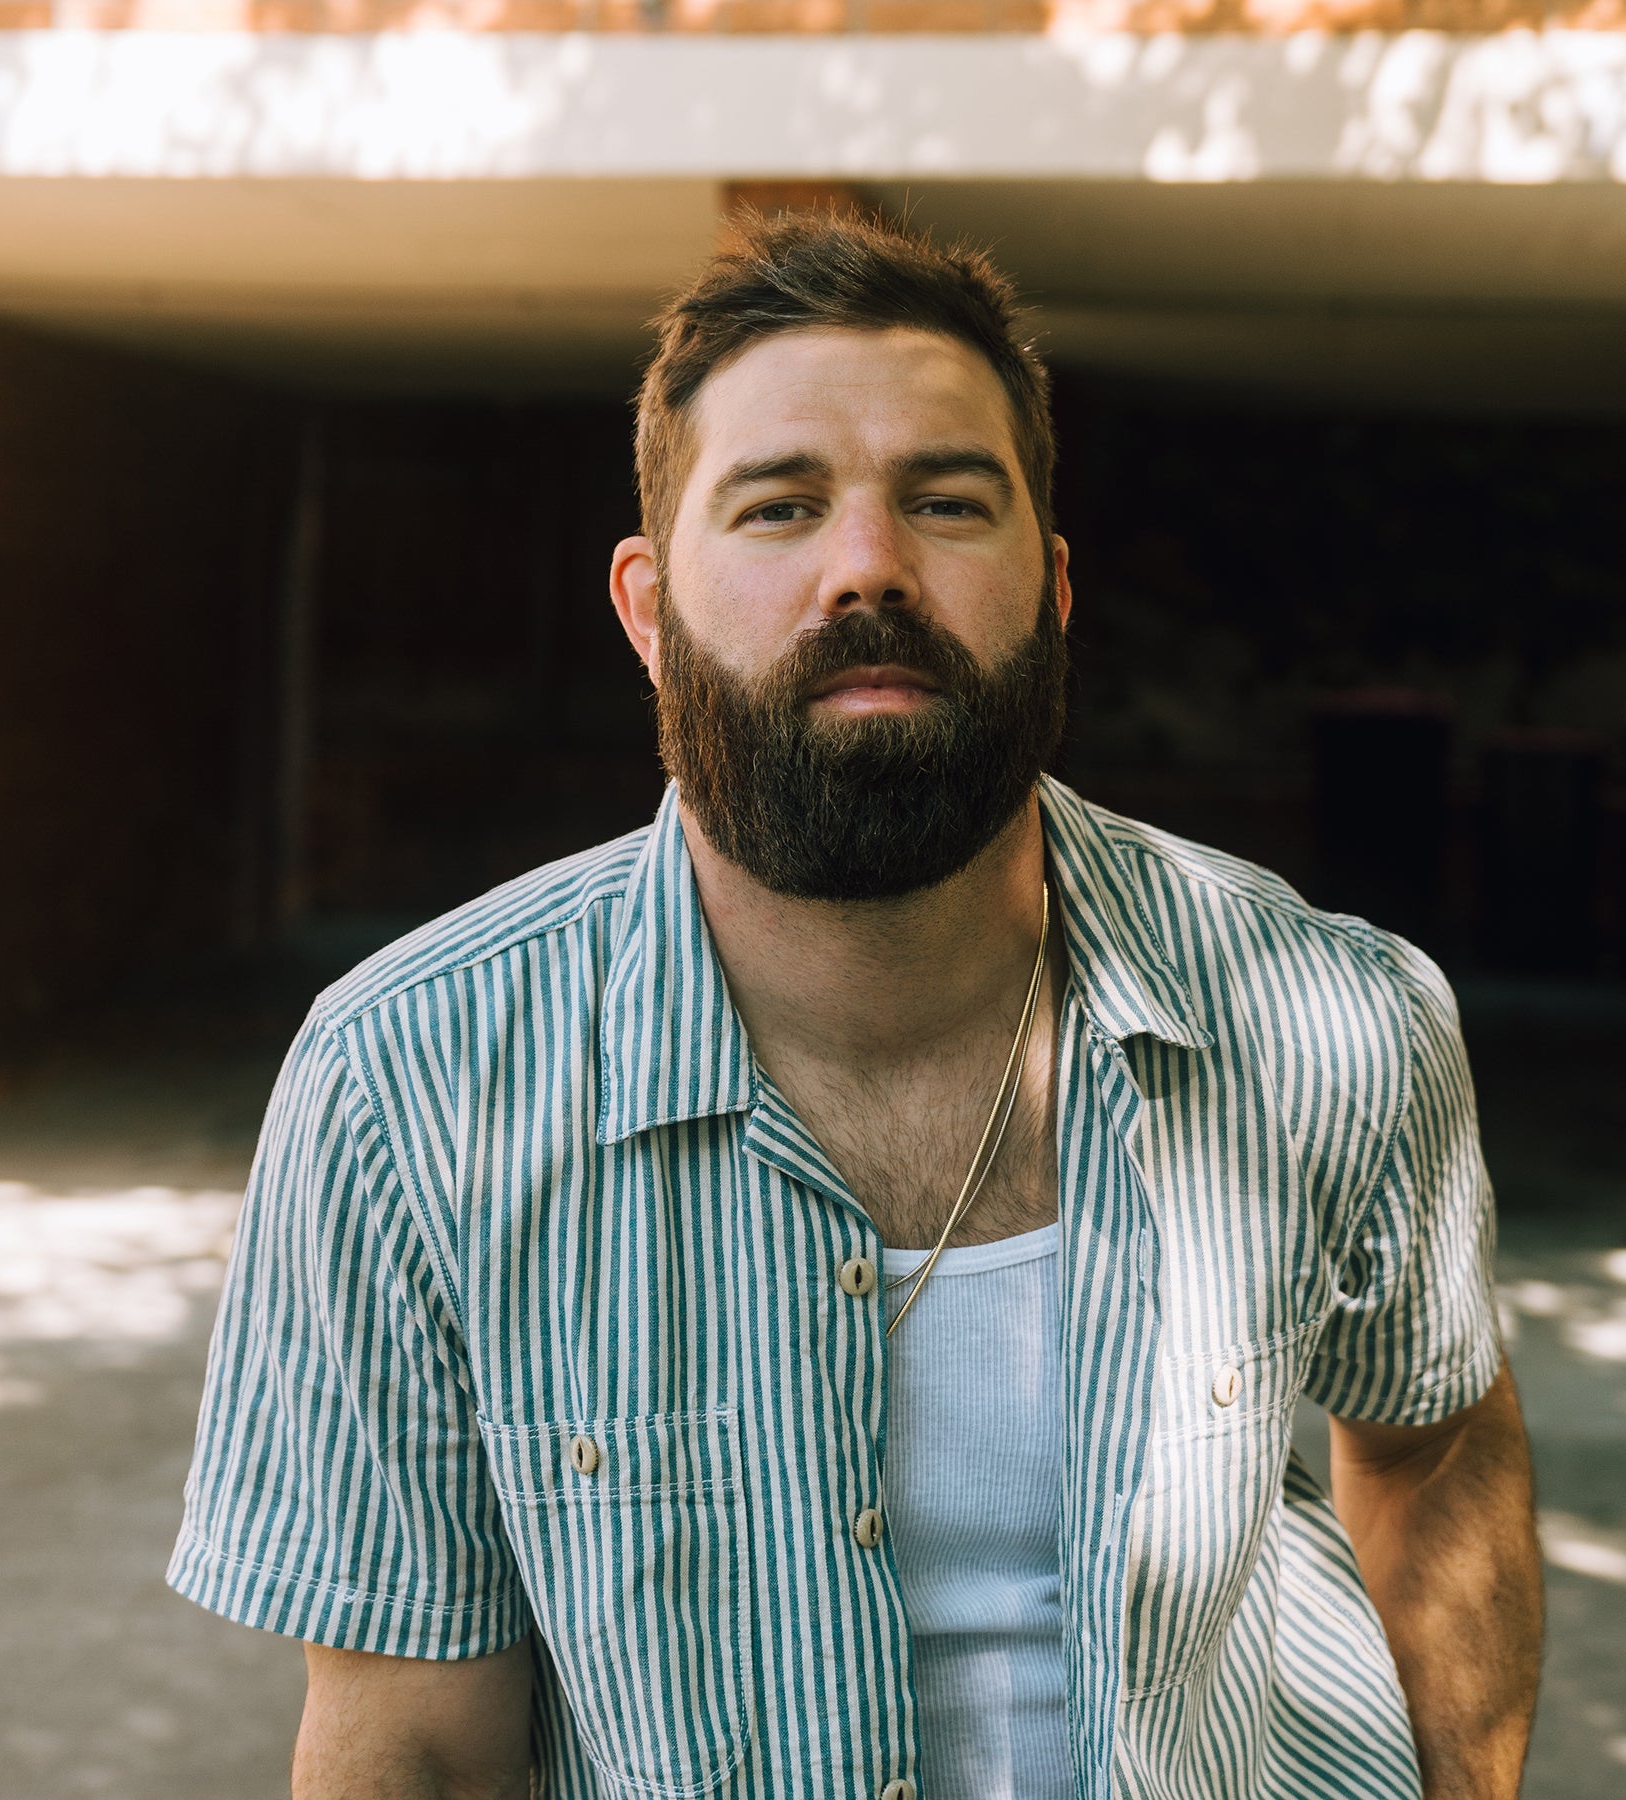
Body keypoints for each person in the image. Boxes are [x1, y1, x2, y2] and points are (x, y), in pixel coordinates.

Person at [170, 209, 1543, 1800]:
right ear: (646, 609)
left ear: (1053, 586)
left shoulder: (1329, 1018)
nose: (868, 566)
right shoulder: (409, 1086)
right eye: (779, 505)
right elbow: (412, 1738)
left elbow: (1433, 1441)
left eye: (946, 501)